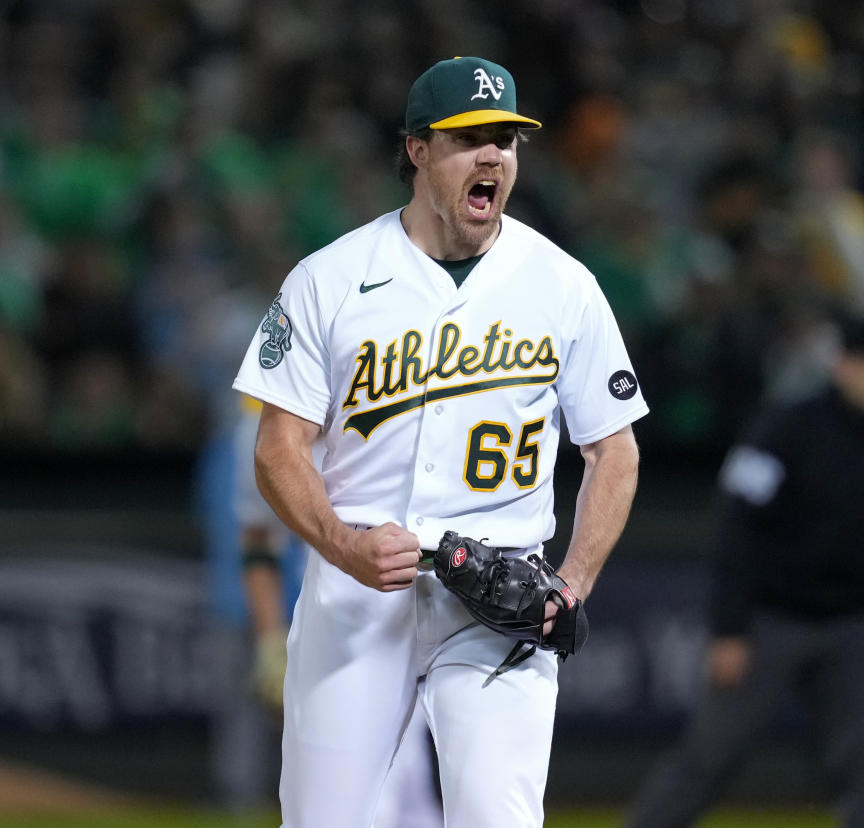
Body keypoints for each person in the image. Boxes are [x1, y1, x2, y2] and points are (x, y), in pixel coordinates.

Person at [232, 56, 648, 828]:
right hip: (360, 587)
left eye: (507, 140)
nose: (494, 156)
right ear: (418, 150)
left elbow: (613, 451)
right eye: (469, 138)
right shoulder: (329, 278)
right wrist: (342, 543)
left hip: (502, 596)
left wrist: (572, 584)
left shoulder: (562, 284)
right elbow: (276, 448)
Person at [626, 309, 864, 828]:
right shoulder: (786, 427)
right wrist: (730, 628)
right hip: (769, 622)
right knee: (708, 759)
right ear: (842, 364)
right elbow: (736, 531)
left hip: (856, 625)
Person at [233, 396, 443, 827]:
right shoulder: (260, 432)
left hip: (418, 611)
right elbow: (258, 544)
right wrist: (270, 637)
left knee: (410, 787)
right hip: (332, 624)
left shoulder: (402, 393)